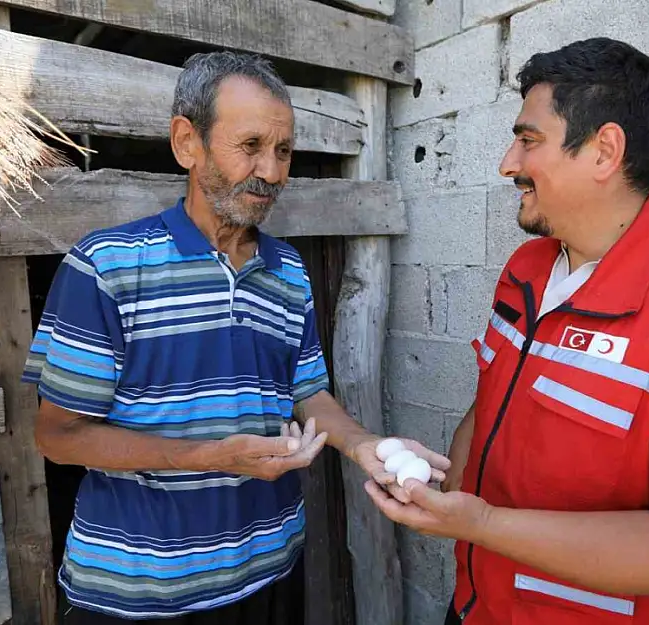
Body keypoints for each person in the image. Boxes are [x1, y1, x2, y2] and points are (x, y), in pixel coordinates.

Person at [365, 37, 649, 625]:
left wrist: (480, 524)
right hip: (476, 607)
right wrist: (443, 491)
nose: (507, 164)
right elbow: (494, 399)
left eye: (528, 140)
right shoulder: (526, 269)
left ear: (603, 151)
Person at [23, 51, 448, 624]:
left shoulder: (288, 270)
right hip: (138, 595)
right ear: (185, 143)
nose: (272, 172)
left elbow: (310, 394)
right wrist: (205, 458)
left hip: (269, 572)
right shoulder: (107, 267)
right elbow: (59, 436)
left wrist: (364, 447)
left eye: (283, 151)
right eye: (250, 147)